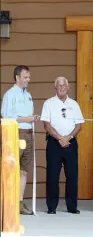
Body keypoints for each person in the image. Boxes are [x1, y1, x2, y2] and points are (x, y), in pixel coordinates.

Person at [40, 76, 84, 214]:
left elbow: (79, 125)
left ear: (68, 87)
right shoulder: (48, 103)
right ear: (55, 87)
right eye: (59, 85)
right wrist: (60, 138)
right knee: (52, 176)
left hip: (71, 143)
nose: (62, 88)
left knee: (72, 176)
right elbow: (46, 125)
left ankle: (72, 207)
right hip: (54, 143)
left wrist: (68, 137)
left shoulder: (74, 104)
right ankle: (51, 207)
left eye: (64, 85)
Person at [1, 65, 38, 215]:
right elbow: (6, 116)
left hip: (28, 134)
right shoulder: (10, 94)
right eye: (25, 77)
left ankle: (19, 203)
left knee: (23, 170)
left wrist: (31, 119)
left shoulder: (27, 95)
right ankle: (8, 203)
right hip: (15, 133)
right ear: (17, 77)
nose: (28, 80)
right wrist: (27, 118)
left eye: (29, 77)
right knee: (12, 169)